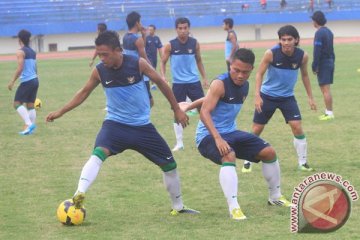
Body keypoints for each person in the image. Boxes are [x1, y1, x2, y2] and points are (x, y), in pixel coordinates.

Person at [46, 30, 199, 216]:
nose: (101, 59)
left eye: (105, 54)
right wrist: (60, 111)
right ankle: (79, 193)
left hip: (142, 128)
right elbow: (83, 92)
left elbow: (160, 82)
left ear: (118, 50)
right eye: (99, 54)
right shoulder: (99, 71)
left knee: (170, 166)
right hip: (115, 126)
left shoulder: (137, 64)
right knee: (98, 154)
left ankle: (178, 207)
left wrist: (176, 109)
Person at [180, 48, 293, 220]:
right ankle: (234, 207)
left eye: (245, 72)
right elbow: (205, 111)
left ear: (251, 70)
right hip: (207, 137)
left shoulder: (245, 86)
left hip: (231, 132)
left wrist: (187, 106)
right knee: (228, 154)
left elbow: (209, 98)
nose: (240, 75)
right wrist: (217, 138)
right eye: (236, 70)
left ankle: (275, 197)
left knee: (269, 152)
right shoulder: (219, 83)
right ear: (230, 65)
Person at [242, 25, 317, 173]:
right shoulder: (270, 54)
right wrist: (257, 96)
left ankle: (303, 162)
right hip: (267, 96)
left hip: (287, 97)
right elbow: (259, 74)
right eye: (283, 39)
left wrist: (310, 97)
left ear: (296, 40)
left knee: (297, 126)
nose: (287, 42)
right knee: (257, 129)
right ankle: (247, 159)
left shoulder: (302, 56)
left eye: (290, 39)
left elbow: (305, 75)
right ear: (280, 40)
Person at [161, 17, 209, 152]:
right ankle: (179, 143)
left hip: (194, 82)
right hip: (178, 84)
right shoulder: (170, 45)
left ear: (189, 28)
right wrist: (163, 76)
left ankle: (207, 135)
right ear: (176, 29)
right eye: (180, 28)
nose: (183, 31)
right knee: (177, 112)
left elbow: (199, 61)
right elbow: (163, 62)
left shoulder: (194, 43)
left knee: (203, 109)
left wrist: (204, 78)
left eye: (185, 28)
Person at [7, 29, 39, 135]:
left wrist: (12, 81)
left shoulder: (20, 51)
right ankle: (31, 130)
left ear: (19, 39)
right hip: (35, 80)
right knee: (30, 105)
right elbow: (35, 67)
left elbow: (20, 68)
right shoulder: (33, 52)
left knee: (16, 103)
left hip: (27, 81)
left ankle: (29, 124)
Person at [122, 11, 154, 107]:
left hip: (129, 71)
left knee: (138, 99)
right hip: (140, 73)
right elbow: (144, 58)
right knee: (149, 101)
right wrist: (152, 71)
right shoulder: (137, 39)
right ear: (137, 23)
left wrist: (143, 35)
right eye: (140, 22)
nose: (141, 24)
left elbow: (137, 50)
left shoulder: (125, 37)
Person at [311, 11, 335, 120]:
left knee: (325, 89)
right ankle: (328, 112)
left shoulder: (319, 33)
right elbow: (332, 50)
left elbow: (317, 50)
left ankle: (329, 113)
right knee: (327, 89)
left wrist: (315, 65)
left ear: (316, 21)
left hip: (323, 63)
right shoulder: (329, 32)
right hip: (330, 61)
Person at [144, 24, 163, 90]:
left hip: (154, 57)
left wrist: (162, 57)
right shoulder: (146, 38)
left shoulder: (156, 38)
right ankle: (152, 85)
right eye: (149, 30)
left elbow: (160, 48)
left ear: (154, 30)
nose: (150, 31)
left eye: (151, 30)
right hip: (148, 57)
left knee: (154, 69)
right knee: (152, 70)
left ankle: (152, 84)